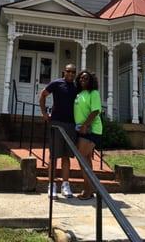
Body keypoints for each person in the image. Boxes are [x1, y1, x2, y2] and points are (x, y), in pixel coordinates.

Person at [39, 63, 77, 199]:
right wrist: (44, 113)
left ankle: (65, 185)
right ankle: (52, 185)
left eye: (73, 72)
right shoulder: (56, 83)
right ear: (64, 72)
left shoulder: (76, 87)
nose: (71, 74)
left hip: (71, 125)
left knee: (67, 156)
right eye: (69, 71)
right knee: (54, 155)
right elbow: (43, 95)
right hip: (56, 123)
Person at [74, 70, 102, 200]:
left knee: (82, 159)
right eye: (81, 78)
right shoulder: (79, 94)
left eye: (85, 78)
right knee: (85, 159)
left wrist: (85, 125)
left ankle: (88, 190)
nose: (82, 80)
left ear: (91, 80)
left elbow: (95, 111)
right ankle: (90, 188)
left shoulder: (93, 93)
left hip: (91, 129)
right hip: (81, 129)